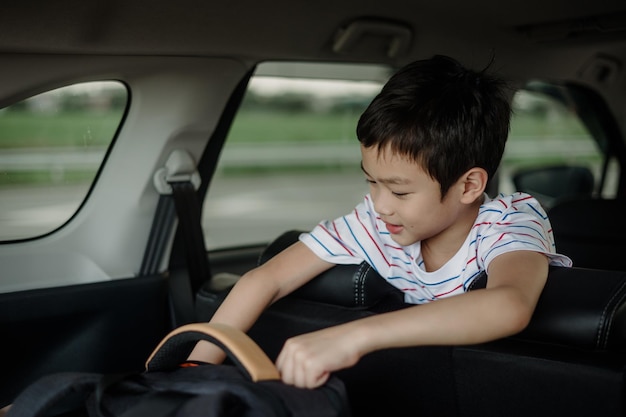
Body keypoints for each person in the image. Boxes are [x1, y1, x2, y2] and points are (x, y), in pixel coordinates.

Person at [188, 55, 572, 388]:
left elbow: (510, 305)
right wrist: (194, 370)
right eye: (371, 182)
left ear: (469, 184)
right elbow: (266, 280)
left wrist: (353, 337)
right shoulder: (374, 223)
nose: (380, 205)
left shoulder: (509, 223)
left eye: (400, 191)